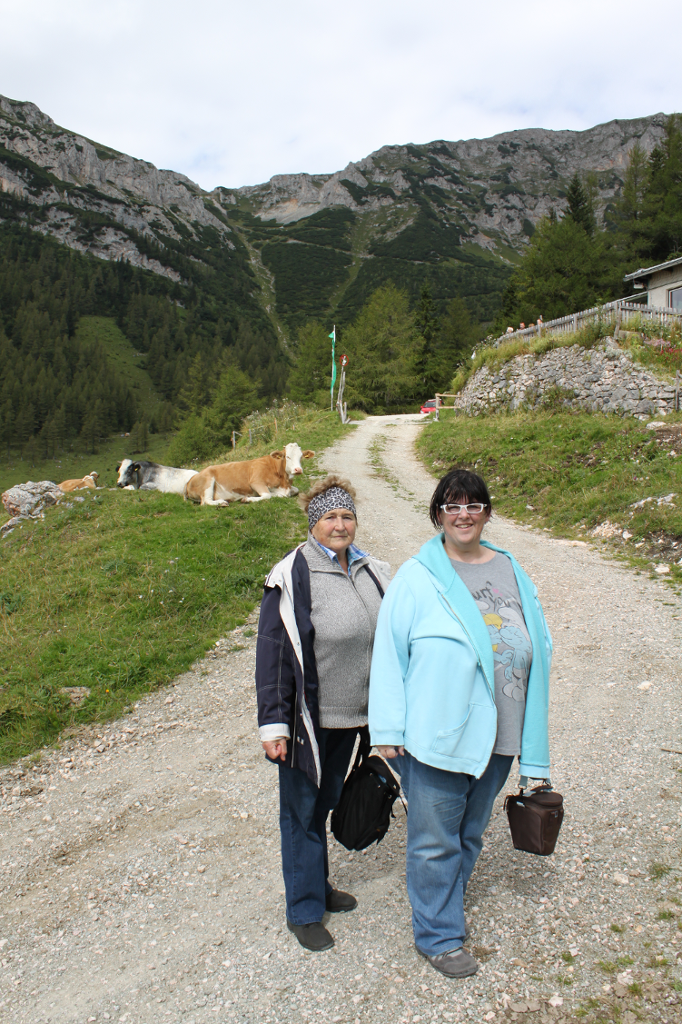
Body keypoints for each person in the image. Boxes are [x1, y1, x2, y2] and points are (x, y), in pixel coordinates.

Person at [368, 469, 552, 979]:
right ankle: (439, 936)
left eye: (473, 505)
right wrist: (387, 730)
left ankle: (443, 900)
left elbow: (536, 637)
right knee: (433, 839)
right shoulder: (417, 576)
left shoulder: (511, 569)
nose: (463, 514)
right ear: (437, 515)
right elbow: (389, 654)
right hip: (438, 733)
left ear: (487, 513)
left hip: (501, 731)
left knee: (470, 831)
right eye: (452, 505)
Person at [255, 475, 391, 952]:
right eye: (330, 516)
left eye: (347, 515)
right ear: (313, 523)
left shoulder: (372, 568)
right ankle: (305, 908)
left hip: (355, 720)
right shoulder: (292, 575)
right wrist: (274, 725)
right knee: (300, 813)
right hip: (308, 723)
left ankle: (319, 884)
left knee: (325, 803)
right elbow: (273, 654)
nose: (340, 524)